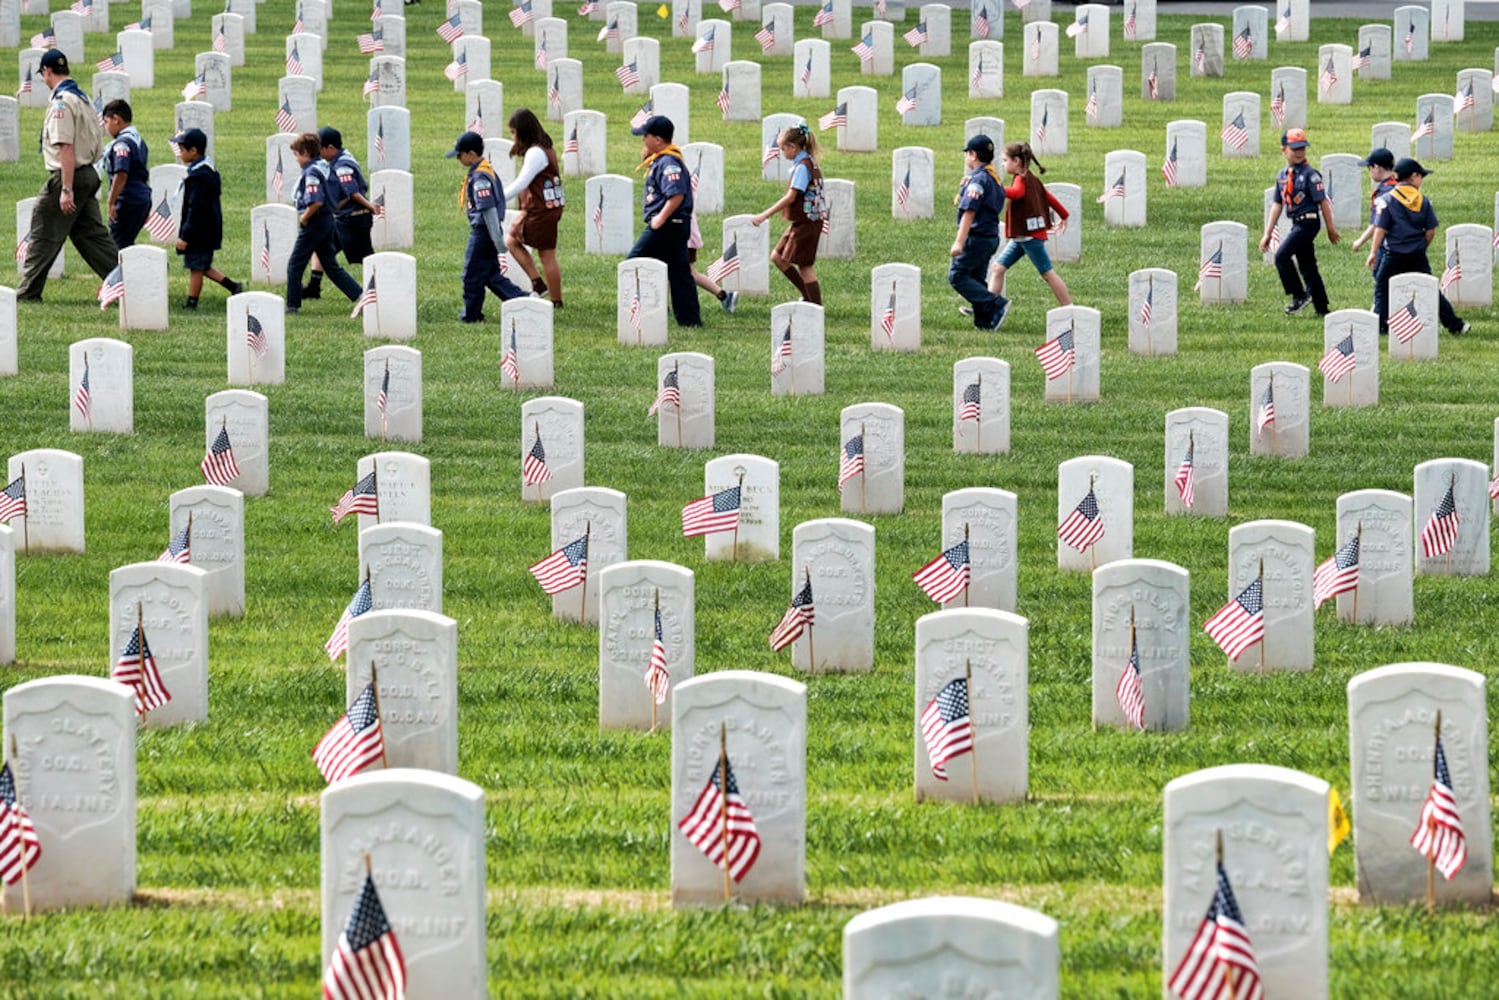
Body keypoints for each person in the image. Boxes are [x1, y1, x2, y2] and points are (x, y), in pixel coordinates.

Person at [16, 49, 118, 301]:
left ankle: (28, 292)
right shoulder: (82, 97)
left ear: (47, 71)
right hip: (88, 173)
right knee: (91, 236)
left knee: (43, 229)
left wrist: (66, 189)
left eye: (43, 74)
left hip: (69, 176)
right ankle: (128, 280)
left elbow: (66, 147)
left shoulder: (61, 102)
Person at [1370, 158, 1470, 337]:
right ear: (1414, 177)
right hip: (1416, 253)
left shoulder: (1387, 199)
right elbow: (1430, 230)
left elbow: (1381, 229)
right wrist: (1421, 246)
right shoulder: (1423, 201)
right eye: (1421, 176)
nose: (1421, 180)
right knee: (1431, 290)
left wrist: (1372, 252)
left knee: (1382, 289)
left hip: (1393, 253)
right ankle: (1456, 325)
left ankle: (1381, 326)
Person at [448, 130, 528, 323]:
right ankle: (522, 300)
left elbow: (488, 210)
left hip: (484, 232)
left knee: (472, 275)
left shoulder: (480, 178)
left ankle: (471, 316)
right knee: (490, 275)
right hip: (487, 232)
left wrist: (497, 239)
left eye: (460, 154)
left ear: (472, 154)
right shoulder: (483, 170)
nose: (458, 158)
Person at [627, 115, 699, 327]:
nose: (643, 140)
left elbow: (676, 194)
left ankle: (643, 308)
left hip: (669, 224)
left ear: (658, 139)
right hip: (675, 224)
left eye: (645, 136)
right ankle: (689, 320)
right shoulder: (661, 159)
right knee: (679, 271)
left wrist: (660, 218)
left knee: (634, 261)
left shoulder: (669, 163)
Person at [1259, 128, 1340, 316]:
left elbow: (1323, 202)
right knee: (1307, 265)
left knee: (1281, 256)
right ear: (1284, 150)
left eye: (1302, 148)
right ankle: (1322, 307)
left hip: (1309, 222)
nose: (1299, 152)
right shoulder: (1282, 176)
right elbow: (1277, 205)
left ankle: (1299, 295)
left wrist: (1331, 229)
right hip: (1297, 222)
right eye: (1295, 148)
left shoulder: (1310, 175)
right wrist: (1267, 233)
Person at [985, 141, 1071, 309]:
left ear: (1016, 161)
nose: (1003, 164)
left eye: (1005, 160)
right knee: (998, 268)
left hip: (1029, 237)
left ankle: (1070, 309)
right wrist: (1064, 214)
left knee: (1048, 273)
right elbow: (1047, 196)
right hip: (1022, 236)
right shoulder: (1031, 178)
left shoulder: (1021, 180)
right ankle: (986, 308)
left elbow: (1017, 193)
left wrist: (995, 187)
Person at [286, 131, 363, 314]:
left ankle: (292, 305)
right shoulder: (325, 166)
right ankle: (361, 295)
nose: (296, 159)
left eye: (297, 154)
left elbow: (316, 200)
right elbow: (343, 193)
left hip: (315, 221)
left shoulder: (312, 172)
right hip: (328, 220)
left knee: (295, 264)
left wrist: (305, 217)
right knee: (330, 265)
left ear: (305, 153)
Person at [750, 123, 825, 305]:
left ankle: (815, 306)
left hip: (808, 223)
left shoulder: (802, 167)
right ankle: (807, 296)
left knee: (805, 266)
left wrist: (764, 215)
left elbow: (791, 197)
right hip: (801, 222)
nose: (782, 153)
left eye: (783, 149)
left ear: (793, 147)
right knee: (778, 257)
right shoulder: (806, 162)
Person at [301, 126, 379, 299]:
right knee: (322, 248)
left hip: (352, 220)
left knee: (366, 258)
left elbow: (351, 191)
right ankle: (314, 286)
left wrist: (369, 206)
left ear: (330, 148)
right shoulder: (343, 158)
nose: (318, 154)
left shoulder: (342, 166)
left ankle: (379, 287)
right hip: (345, 219)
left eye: (319, 150)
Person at [502, 108, 567, 310]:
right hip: (540, 208)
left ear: (523, 131)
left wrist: (498, 198)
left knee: (547, 255)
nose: (513, 137)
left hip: (541, 210)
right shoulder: (543, 149)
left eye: (513, 132)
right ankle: (538, 284)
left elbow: (523, 182)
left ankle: (556, 301)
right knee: (512, 239)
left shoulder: (536, 153)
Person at [172, 127, 242, 308]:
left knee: (196, 268)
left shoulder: (199, 177)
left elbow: (195, 208)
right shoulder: (205, 171)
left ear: (193, 151)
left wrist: (185, 235)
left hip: (200, 231)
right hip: (207, 229)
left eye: (182, 149)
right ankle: (233, 286)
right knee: (202, 265)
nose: (179, 154)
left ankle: (192, 302)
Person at [948, 133, 1008, 331]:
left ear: (973, 155)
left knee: (957, 276)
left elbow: (970, 211)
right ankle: (984, 322)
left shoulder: (978, 181)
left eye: (967, 153)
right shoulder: (993, 177)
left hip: (976, 237)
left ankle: (995, 303)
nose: (966, 157)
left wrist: (959, 242)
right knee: (975, 278)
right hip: (990, 237)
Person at [1350, 148, 1398, 333]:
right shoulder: (1398, 186)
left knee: (1381, 283)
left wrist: (1361, 242)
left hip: (1387, 245)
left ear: (1377, 168)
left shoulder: (1383, 193)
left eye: (1369, 168)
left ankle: (1381, 321)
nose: (1369, 172)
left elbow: (1377, 223)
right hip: (1404, 243)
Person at [101, 100, 152, 249]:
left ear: (116, 120)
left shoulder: (122, 144)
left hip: (128, 200)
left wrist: (111, 201)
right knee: (125, 242)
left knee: (117, 247)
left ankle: (151, 267)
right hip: (142, 198)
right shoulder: (139, 140)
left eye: (106, 121)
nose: (105, 127)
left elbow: (121, 174)